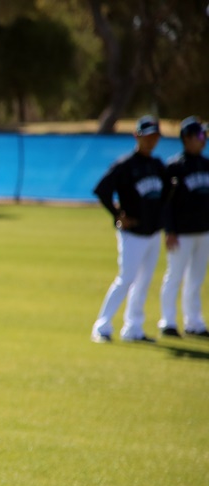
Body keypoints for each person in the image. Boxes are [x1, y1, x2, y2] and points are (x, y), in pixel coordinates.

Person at [90, 115, 167, 343]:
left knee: (143, 282)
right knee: (126, 279)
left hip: (153, 232)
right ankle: (102, 327)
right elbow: (102, 190)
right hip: (132, 234)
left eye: (154, 136)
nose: (151, 141)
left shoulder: (157, 166)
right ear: (137, 136)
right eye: (147, 136)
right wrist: (118, 215)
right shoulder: (125, 165)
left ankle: (133, 328)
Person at [158, 116, 209, 338]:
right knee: (175, 276)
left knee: (196, 278)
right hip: (181, 233)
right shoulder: (174, 166)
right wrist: (169, 230)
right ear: (187, 138)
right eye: (199, 135)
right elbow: (166, 203)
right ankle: (168, 321)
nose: (203, 140)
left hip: (203, 231)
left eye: (204, 136)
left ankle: (194, 323)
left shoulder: (207, 165)